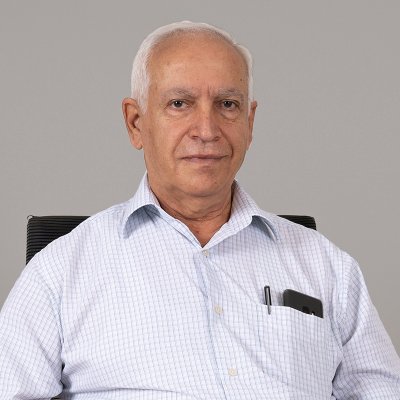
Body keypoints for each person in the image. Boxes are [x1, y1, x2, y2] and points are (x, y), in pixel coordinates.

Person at [0, 21, 399, 400]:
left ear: (249, 122)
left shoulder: (327, 267)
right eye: (179, 103)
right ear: (136, 123)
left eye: (227, 104)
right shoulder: (60, 273)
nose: (206, 130)